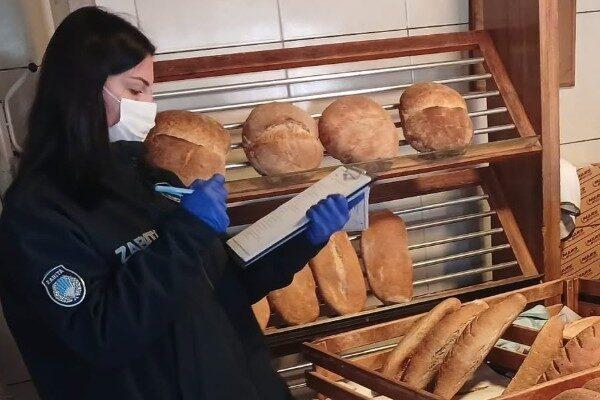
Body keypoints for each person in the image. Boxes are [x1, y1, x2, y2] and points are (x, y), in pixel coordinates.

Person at [0, 7, 358, 400]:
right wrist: (186, 234)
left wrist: (299, 242)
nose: (149, 104)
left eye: (151, 90)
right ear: (82, 89)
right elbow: (100, 335)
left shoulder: (150, 177)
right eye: (135, 90)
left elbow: (221, 289)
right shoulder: (37, 213)